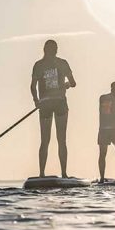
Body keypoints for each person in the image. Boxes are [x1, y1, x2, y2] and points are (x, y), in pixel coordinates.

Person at [30, 39, 76, 177]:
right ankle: (63, 174)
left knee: (45, 140)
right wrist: (66, 85)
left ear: (45, 50)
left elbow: (32, 86)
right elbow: (73, 83)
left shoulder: (39, 65)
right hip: (59, 102)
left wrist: (36, 101)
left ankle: (42, 174)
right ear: (56, 50)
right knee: (61, 140)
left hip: (45, 104)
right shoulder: (62, 63)